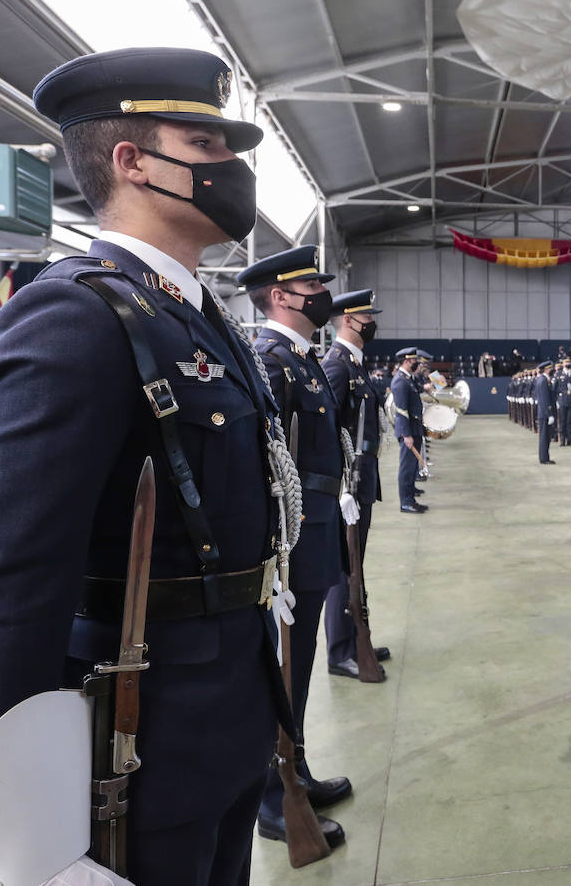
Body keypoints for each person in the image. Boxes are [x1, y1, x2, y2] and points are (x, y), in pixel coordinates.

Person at [0, 47, 298, 881]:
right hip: (137, 747)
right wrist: (14, 834)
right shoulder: (74, 314)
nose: (231, 167)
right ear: (131, 162)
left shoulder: (197, 317)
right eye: (206, 147)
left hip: (225, 718)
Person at [242, 246, 355, 844]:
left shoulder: (302, 362)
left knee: (300, 664)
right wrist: (273, 560)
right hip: (288, 543)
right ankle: (271, 795)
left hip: (311, 534)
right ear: (280, 296)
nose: (321, 291)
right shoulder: (270, 361)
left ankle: (296, 765)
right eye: (309, 284)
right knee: (279, 669)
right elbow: (263, 468)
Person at [321, 289, 393, 680]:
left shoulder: (356, 365)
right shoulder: (337, 366)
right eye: (367, 316)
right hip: (348, 486)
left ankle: (356, 635)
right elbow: (328, 431)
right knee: (342, 569)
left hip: (361, 482)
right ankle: (340, 652)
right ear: (349, 320)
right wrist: (341, 487)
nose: (372, 322)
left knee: (355, 566)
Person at [392, 348, 430, 508]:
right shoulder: (400, 381)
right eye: (415, 361)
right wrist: (406, 434)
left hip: (415, 428)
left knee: (412, 464)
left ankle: (410, 492)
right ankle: (406, 502)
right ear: (407, 361)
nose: (418, 364)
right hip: (409, 430)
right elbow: (401, 411)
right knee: (407, 468)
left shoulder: (408, 378)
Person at [534, 360, 557, 464]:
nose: (552, 370)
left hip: (544, 413)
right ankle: (543, 459)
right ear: (547, 369)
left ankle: (545, 457)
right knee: (544, 437)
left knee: (546, 437)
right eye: (550, 368)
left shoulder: (543, 379)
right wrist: (549, 414)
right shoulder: (543, 381)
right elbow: (544, 400)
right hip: (544, 414)